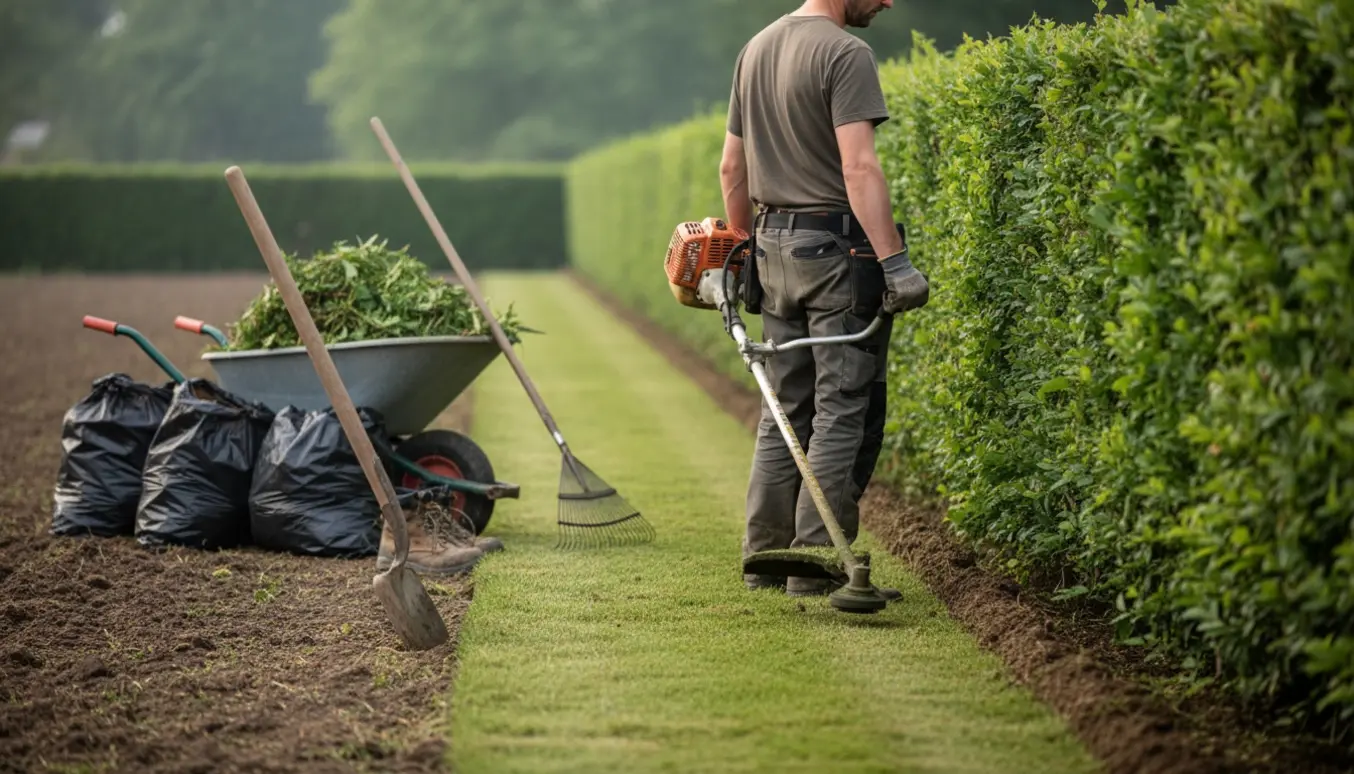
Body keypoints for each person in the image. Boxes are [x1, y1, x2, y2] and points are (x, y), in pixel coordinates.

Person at [720, 0, 930, 597]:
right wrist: (895, 262)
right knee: (842, 403)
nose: (887, 2)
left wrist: (744, 252)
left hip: (771, 246)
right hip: (832, 251)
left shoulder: (755, 48)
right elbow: (859, 168)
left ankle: (764, 556)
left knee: (783, 407)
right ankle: (817, 562)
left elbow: (732, 168)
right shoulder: (845, 52)